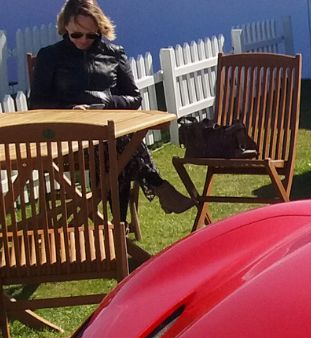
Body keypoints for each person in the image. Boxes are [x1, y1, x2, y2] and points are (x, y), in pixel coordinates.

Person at [29, 0, 195, 213]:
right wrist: (71, 109)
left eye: (91, 35)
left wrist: (106, 102)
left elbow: (134, 98)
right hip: (68, 142)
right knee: (120, 149)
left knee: (116, 148)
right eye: (76, 34)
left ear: (100, 29)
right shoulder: (50, 56)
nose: (84, 40)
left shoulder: (114, 53)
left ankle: (118, 225)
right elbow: (37, 103)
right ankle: (153, 188)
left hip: (108, 136)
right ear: (65, 28)